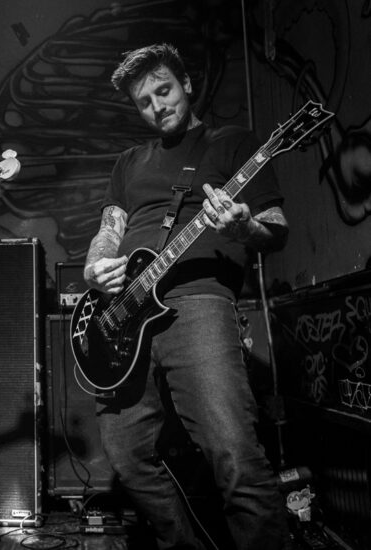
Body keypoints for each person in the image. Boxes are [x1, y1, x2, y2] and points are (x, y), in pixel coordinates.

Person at [84, 44, 290, 549]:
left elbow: (276, 228)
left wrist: (243, 227)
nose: (158, 106)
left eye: (164, 90)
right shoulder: (129, 162)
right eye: (145, 101)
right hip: (124, 315)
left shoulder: (234, 144)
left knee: (233, 451)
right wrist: (95, 267)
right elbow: (109, 229)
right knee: (126, 454)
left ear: (187, 85)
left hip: (199, 302)